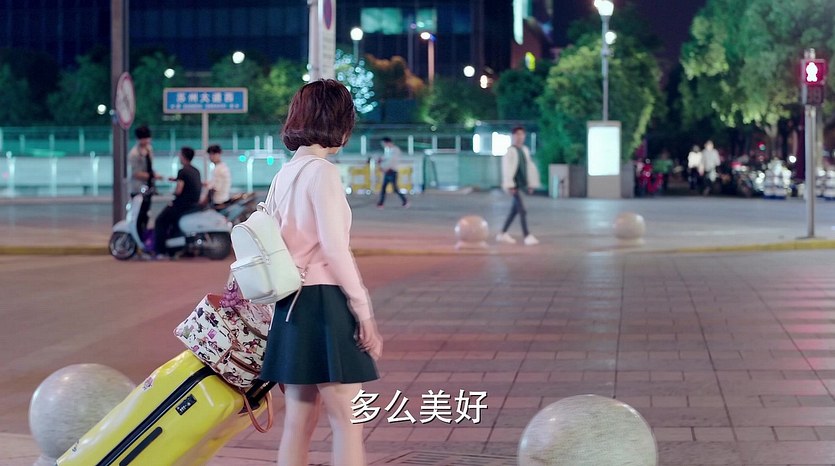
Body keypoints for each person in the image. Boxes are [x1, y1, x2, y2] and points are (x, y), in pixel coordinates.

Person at [259, 79, 382, 466]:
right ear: (338, 122)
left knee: (298, 421)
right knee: (348, 420)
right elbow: (334, 249)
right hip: (324, 302)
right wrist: (364, 311)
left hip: (290, 305)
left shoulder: (283, 176)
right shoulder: (322, 173)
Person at [152, 146, 202, 258]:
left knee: (160, 221)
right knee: (174, 222)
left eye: (180, 154)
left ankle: (160, 251)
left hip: (182, 204)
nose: (179, 157)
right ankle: (173, 250)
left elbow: (179, 190)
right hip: (193, 204)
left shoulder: (182, 171)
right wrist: (175, 179)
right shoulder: (196, 171)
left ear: (183, 157)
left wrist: (171, 193)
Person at [496, 126, 541, 246]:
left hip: (522, 185)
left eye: (521, 134)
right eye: (517, 134)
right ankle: (527, 235)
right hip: (514, 185)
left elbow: (528, 167)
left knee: (514, 211)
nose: (519, 137)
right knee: (522, 210)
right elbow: (506, 169)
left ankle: (502, 233)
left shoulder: (525, 150)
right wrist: (510, 185)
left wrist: (531, 184)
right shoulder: (510, 151)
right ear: (513, 136)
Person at [127, 125, 161, 238]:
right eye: (144, 138)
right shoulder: (134, 154)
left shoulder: (149, 149)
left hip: (148, 188)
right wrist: (152, 176)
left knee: (146, 214)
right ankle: (137, 237)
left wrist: (153, 175)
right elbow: (136, 173)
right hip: (138, 189)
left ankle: (143, 236)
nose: (147, 141)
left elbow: (150, 167)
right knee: (138, 215)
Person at [376, 137, 409, 208]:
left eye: (384, 143)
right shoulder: (388, 150)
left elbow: (392, 161)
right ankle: (381, 203)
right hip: (387, 171)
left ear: (388, 142)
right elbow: (385, 158)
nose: (383, 145)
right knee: (383, 188)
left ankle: (405, 201)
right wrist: (381, 161)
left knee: (395, 189)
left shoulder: (395, 150)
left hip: (392, 171)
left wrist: (386, 168)